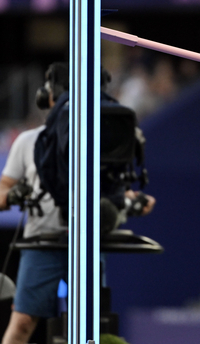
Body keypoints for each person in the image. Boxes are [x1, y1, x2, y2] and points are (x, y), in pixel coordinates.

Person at [0, 63, 155, 344]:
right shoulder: (28, 141)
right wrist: (10, 196)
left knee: (92, 327)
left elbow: (114, 189)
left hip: (89, 243)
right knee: (22, 323)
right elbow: (4, 188)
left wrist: (133, 200)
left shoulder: (103, 140)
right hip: (40, 244)